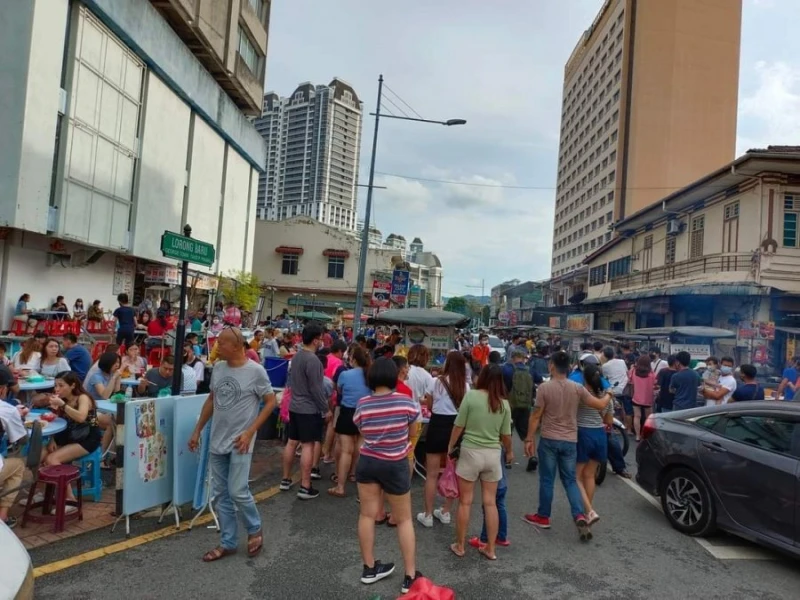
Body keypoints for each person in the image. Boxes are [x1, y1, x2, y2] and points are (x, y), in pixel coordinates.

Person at [188, 327, 276, 562]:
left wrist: (250, 432)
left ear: (237, 346)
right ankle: (227, 542)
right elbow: (212, 399)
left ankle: (254, 527)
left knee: (237, 490)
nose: (217, 347)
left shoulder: (255, 371)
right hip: (217, 439)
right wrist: (197, 431)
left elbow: (270, 401)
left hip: (240, 441)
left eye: (222, 343)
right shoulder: (218, 368)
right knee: (220, 495)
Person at [523, 351, 612, 538]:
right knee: (570, 480)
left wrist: (529, 438)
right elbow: (598, 405)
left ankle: (543, 516)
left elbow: (536, 415)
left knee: (547, 480)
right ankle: (579, 513)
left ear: (552, 366)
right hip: (570, 440)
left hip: (549, 439)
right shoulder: (577, 388)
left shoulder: (544, 389)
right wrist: (609, 394)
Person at [352, 358, 421, 594]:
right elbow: (412, 431)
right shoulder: (405, 402)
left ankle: (369, 568)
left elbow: (362, 430)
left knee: (367, 515)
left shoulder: (363, 403)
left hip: (368, 462)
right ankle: (410, 576)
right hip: (395, 463)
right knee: (403, 519)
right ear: (394, 377)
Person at [448, 364, 512, 561]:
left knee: (465, 502)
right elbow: (506, 435)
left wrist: (450, 447)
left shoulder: (472, 397)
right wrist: (508, 452)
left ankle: (460, 545)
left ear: (482, 377)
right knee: (490, 503)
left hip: (470, 453)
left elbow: (459, 425)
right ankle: (490, 549)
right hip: (493, 456)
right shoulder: (503, 404)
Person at [417, 351, 468, 529]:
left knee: (431, 474)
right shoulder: (466, 386)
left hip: (437, 426)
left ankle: (428, 514)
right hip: (456, 428)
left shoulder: (436, 381)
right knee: (452, 471)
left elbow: (429, 406)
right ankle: (445, 511)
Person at [280, 323, 330, 499]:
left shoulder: (298, 356)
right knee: (308, 444)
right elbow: (316, 389)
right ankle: (305, 486)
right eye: (321, 338)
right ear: (316, 340)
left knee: (292, 442)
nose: (322, 341)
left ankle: (285, 479)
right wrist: (325, 409)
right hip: (309, 409)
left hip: (294, 405)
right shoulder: (314, 361)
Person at [42, 372, 103, 510]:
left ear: (72, 385)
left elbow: (81, 417)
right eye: (55, 385)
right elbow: (55, 421)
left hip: (88, 438)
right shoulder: (60, 399)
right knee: (40, 455)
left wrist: (63, 405)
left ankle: (70, 500)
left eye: (61, 385)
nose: (57, 389)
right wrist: (52, 438)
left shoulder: (83, 398)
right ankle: (48, 493)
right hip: (68, 437)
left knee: (52, 459)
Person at [328, 346, 371, 498]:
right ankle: (354, 475)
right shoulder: (370, 375)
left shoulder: (345, 375)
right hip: (365, 414)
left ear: (353, 359)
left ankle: (340, 486)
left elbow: (338, 391)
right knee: (360, 449)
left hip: (348, 413)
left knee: (346, 450)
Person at [575, 363, 613, 526]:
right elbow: (609, 421)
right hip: (600, 435)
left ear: (585, 378)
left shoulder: (581, 393)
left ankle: (589, 511)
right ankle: (587, 511)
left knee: (575, 477)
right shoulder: (606, 395)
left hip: (583, 434)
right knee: (590, 475)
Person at [502, 349, 538, 471]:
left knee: (507, 432)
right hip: (526, 406)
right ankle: (532, 457)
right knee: (527, 433)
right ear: (523, 358)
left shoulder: (507, 369)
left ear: (512, 358)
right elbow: (539, 380)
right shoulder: (531, 370)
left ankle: (508, 459)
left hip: (510, 406)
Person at [0, 370, 27, 528]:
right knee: (18, 465)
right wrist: (18, 416)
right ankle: (3, 516)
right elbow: (22, 439)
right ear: (3, 389)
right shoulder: (7, 409)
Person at [601, 346, 631, 433]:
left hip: (613, 390)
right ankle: (628, 429)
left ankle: (617, 429)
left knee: (615, 410)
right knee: (627, 410)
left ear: (605, 355)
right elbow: (626, 373)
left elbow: (605, 378)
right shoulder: (622, 362)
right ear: (613, 354)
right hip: (625, 389)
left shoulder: (604, 366)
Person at [629, 356, 655, 442]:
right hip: (648, 399)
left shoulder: (633, 371)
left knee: (637, 416)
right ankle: (646, 435)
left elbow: (631, 383)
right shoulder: (651, 374)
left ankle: (637, 436)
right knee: (648, 418)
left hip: (636, 398)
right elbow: (655, 385)